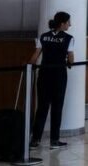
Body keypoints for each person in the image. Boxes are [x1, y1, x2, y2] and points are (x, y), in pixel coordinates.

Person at [29, 11, 75, 149]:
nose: (70, 25)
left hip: (44, 74)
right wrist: (69, 63)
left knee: (42, 108)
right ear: (62, 24)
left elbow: (35, 56)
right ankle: (54, 140)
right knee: (57, 107)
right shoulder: (69, 38)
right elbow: (71, 59)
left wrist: (28, 66)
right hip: (59, 75)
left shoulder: (43, 37)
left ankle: (35, 139)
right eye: (68, 22)